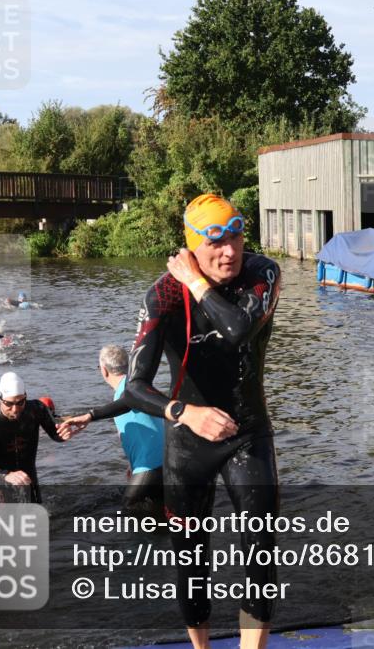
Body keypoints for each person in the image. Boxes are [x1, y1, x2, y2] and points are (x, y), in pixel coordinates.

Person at [121, 193, 280, 649]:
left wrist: (195, 279)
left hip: (247, 433)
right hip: (188, 443)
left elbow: (237, 330)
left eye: (236, 238)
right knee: (190, 562)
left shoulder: (261, 273)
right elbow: (135, 386)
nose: (229, 252)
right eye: (215, 242)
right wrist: (185, 413)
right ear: (192, 244)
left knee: (260, 551)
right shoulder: (162, 295)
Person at [61, 345, 164, 515]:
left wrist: (90, 416)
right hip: (165, 464)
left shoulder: (127, 391)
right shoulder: (140, 387)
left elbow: (126, 405)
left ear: (104, 370)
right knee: (157, 517)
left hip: (150, 467)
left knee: (127, 514)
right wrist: (132, 464)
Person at [0, 372, 78, 503]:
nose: (15, 409)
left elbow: (56, 435)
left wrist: (64, 434)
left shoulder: (37, 409)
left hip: (29, 478)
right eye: (9, 404)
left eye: (20, 402)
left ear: (26, 397)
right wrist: (6, 475)